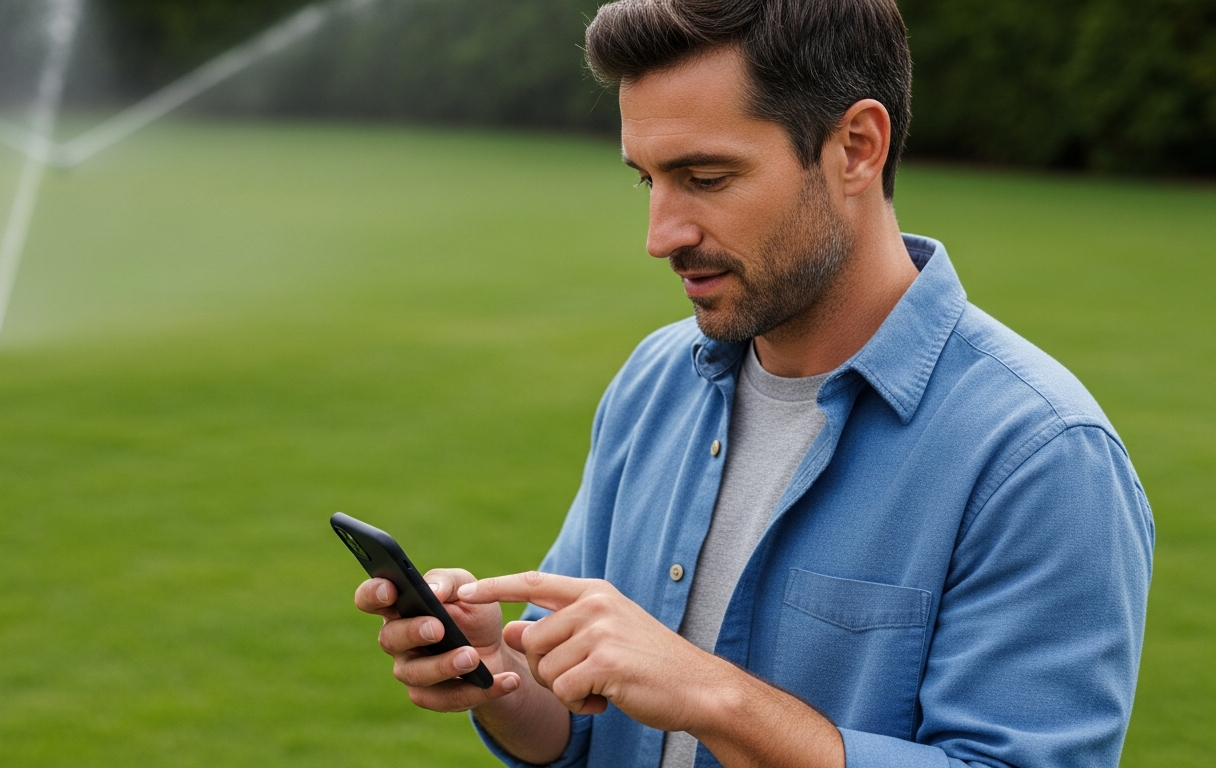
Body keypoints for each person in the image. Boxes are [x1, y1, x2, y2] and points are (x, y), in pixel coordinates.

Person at [352, 0, 1154, 766]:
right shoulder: (655, 381)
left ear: (857, 147)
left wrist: (712, 695)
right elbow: (581, 725)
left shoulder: (1041, 457)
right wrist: (500, 673)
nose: (661, 234)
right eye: (647, 179)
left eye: (706, 177)